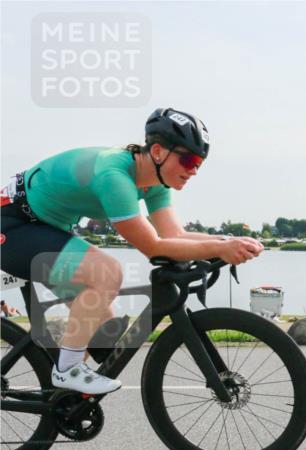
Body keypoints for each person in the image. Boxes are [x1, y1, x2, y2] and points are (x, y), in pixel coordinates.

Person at [0, 108, 262, 394]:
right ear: (159, 151)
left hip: (43, 226)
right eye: (188, 159)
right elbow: (153, 247)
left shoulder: (155, 183)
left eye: (199, 162)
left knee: (106, 330)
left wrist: (228, 241)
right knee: (107, 272)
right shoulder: (115, 176)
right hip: (12, 224)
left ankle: (60, 396)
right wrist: (220, 248)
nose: (194, 169)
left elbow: (175, 235)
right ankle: (67, 369)